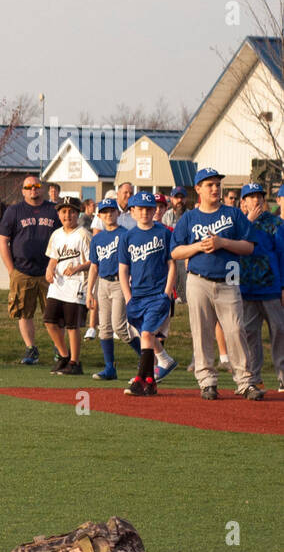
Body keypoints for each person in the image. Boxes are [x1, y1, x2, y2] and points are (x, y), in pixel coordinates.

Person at [171, 168, 261, 400]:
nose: (215, 188)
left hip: (229, 278)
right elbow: (176, 251)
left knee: (236, 330)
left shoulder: (233, 214)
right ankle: (207, 381)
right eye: (209, 184)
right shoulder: (189, 217)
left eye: (217, 184)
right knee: (201, 331)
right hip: (198, 279)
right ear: (198, 189)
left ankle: (244, 382)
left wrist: (222, 242)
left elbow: (249, 247)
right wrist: (199, 246)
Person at [118, 191, 176, 396]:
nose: (144, 212)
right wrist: (128, 296)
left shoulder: (164, 233)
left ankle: (139, 381)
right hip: (137, 295)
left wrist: (167, 293)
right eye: (140, 209)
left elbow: (172, 265)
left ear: (155, 211)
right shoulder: (127, 237)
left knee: (146, 334)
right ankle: (151, 381)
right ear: (132, 212)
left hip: (157, 294)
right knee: (146, 337)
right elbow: (123, 269)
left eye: (149, 208)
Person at [0, 177, 60, 364]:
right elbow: (3, 240)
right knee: (24, 313)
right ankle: (31, 349)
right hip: (22, 270)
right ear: (23, 191)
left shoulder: (53, 210)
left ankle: (60, 349)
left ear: (42, 189)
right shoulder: (13, 211)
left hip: (50, 271)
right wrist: (11, 270)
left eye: (36, 186)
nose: (33, 189)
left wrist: (56, 266)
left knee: (55, 314)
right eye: (28, 187)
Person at [236, 183, 284, 392]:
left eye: (259, 196)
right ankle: (254, 378)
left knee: (280, 330)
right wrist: (249, 222)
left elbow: (282, 255)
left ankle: (282, 375)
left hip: (270, 287)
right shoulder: (238, 224)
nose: (256, 200)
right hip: (246, 288)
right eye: (251, 196)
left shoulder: (275, 223)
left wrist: (283, 285)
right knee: (250, 334)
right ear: (243, 202)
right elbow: (232, 245)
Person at [42, 197, 91, 375]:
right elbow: (53, 257)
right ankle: (63, 355)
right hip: (58, 284)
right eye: (63, 211)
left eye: (71, 211)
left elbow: (93, 261)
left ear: (78, 214)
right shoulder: (56, 234)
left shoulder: (83, 234)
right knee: (49, 321)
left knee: (72, 325)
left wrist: (78, 267)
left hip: (76, 285)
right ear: (59, 214)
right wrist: (49, 268)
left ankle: (75, 362)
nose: (67, 215)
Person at [85, 199, 132, 381]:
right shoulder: (97, 238)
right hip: (103, 283)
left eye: (112, 211)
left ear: (118, 213)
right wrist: (89, 291)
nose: (108, 215)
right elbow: (94, 267)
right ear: (99, 216)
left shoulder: (125, 234)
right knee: (104, 328)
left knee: (119, 327)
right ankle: (109, 368)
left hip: (120, 283)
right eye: (104, 212)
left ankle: (148, 360)